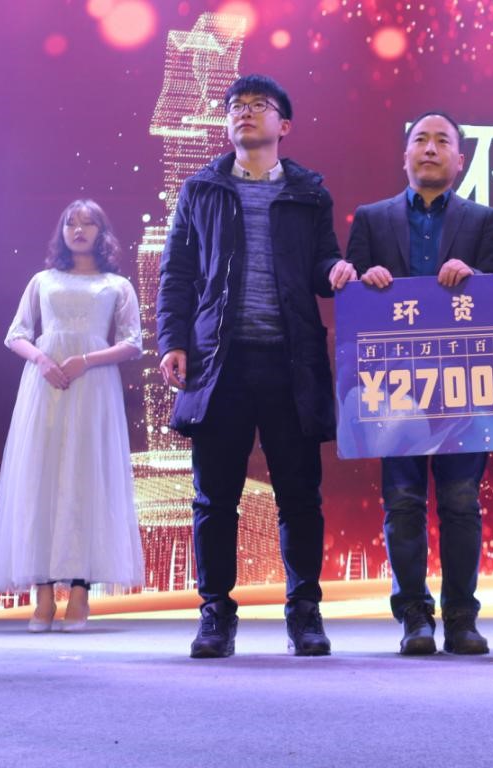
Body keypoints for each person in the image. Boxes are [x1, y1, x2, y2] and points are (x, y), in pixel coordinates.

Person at [157, 74, 357, 658]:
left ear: (283, 124)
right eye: (235, 106)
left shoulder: (309, 192)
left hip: (291, 361)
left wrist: (334, 272)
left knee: (300, 495)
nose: (244, 113)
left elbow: (322, 262)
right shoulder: (201, 189)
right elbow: (177, 273)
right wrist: (172, 341)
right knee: (213, 498)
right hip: (219, 362)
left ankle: (305, 612)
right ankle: (215, 614)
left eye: (258, 105)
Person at [346, 112, 493, 655]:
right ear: (405, 155)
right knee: (403, 502)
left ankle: (462, 617)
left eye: (443, 141)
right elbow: (350, 291)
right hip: (392, 385)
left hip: (462, 383)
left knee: (461, 501)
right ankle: (414, 615)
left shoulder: (483, 220)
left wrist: (476, 279)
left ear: (460, 160)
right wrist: (365, 279)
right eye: (421, 140)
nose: (431, 148)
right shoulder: (372, 219)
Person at [0, 199, 145, 632]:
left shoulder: (117, 285)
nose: (78, 230)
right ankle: (42, 595)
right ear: (61, 231)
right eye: (71, 223)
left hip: (93, 388)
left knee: (85, 479)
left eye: (88, 223)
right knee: (40, 477)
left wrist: (86, 360)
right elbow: (16, 333)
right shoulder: (42, 281)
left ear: (101, 233)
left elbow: (133, 342)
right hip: (44, 387)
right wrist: (41, 360)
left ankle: (79, 593)